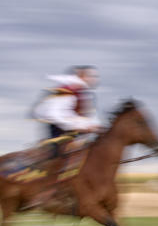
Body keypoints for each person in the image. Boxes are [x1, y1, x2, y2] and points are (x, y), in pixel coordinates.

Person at [26, 65, 103, 208]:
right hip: (59, 133)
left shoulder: (84, 94)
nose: (94, 79)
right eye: (90, 76)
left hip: (78, 135)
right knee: (61, 155)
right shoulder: (66, 90)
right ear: (80, 76)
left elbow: (90, 116)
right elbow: (56, 115)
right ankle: (45, 193)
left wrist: (94, 126)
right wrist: (81, 125)